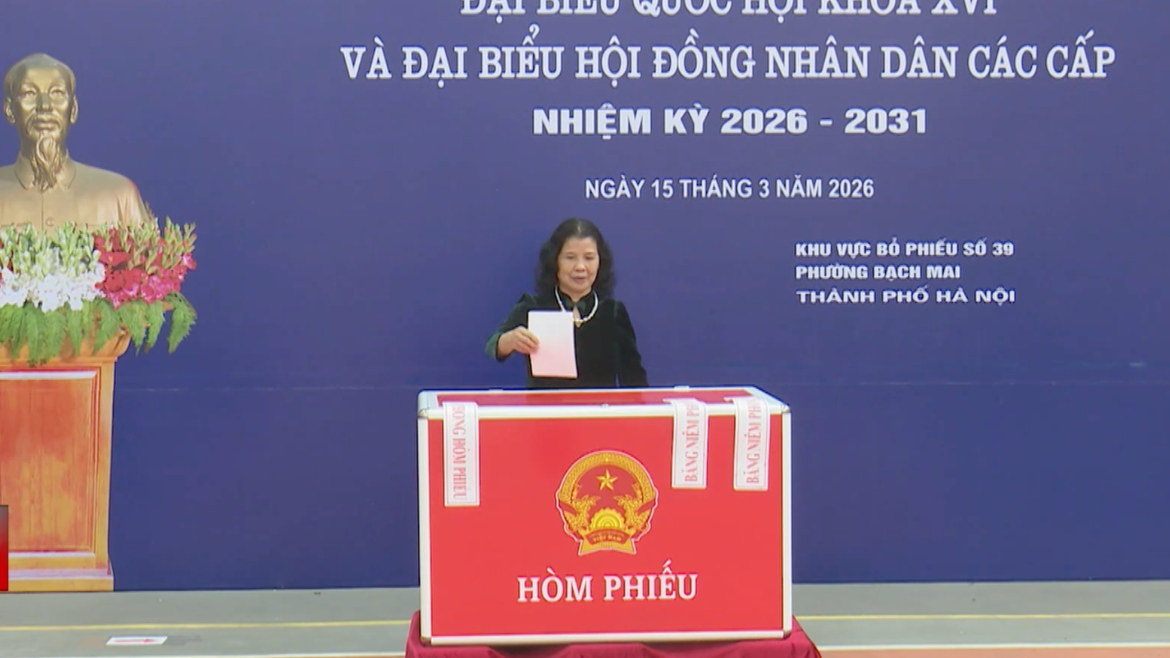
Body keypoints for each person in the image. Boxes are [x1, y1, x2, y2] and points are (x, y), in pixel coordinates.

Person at [486, 218, 648, 389]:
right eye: (570, 258)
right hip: (545, 405)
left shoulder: (613, 312)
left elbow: (634, 378)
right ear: (555, 261)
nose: (580, 267)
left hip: (600, 406)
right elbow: (492, 346)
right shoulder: (533, 306)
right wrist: (510, 341)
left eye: (589, 258)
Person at [0, 53, 152, 231]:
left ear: (73, 110)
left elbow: (146, 249)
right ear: (10, 110)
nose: (45, 106)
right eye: (29, 93)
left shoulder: (120, 196)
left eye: (57, 93)